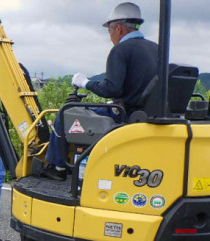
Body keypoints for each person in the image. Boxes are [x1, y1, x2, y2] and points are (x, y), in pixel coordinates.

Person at [44, 2, 158, 181]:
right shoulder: (156, 48)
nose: (110, 36)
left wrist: (86, 83)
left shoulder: (120, 50)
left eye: (109, 31)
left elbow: (111, 88)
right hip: (147, 112)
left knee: (65, 113)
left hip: (125, 114)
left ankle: (57, 166)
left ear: (118, 28)